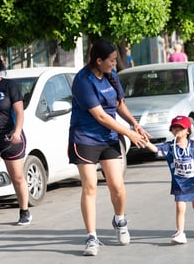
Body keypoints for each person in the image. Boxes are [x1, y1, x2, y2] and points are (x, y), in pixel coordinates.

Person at [68, 39, 150, 256]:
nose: (115, 64)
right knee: (90, 186)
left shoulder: (111, 76)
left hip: (109, 138)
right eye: (112, 60)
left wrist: (134, 124)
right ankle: (91, 238)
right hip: (84, 137)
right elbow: (101, 116)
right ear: (98, 60)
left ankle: (119, 220)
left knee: (117, 186)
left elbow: (118, 104)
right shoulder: (83, 80)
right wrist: (129, 133)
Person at [0, 52, 32, 235]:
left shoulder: (9, 86)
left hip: (10, 139)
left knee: (17, 178)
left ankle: (24, 210)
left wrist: (17, 131)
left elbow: (19, 112)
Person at [145, 115, 194, 244]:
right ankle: (180, 233)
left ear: (188, 130)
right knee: (180, 208)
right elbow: (157, 149)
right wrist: (146, 142)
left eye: (180, 128)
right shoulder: (170, 147)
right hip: (179, 184)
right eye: (174, 128)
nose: (177, 130)